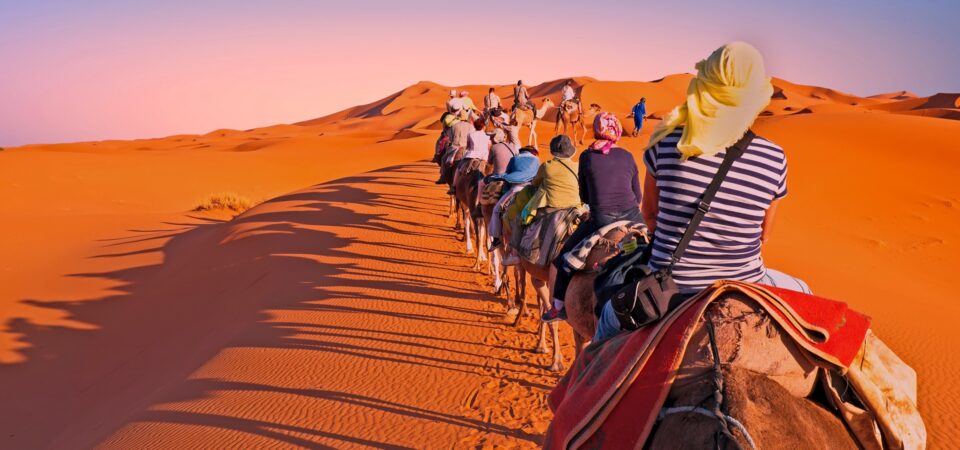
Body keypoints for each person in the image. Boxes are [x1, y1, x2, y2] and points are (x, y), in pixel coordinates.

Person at [592, 41, 810, 344]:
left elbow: (650, 214)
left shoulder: (665, 144)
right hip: (745, 286)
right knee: (805, 292)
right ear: (756, 96)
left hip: (672, 289)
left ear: (704, 84)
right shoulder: (774, 157)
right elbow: (765, 234)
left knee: (605, 322)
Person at [543, 113, 642, 322]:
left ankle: (558, 306)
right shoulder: (628, 155)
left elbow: (584, 197)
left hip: (601, 220)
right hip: (635, 217)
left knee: (564, 259)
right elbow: (638, 196)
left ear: (597, 131)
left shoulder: (587, 157)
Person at [487, 147, 540, 246]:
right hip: (532, 190)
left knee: (496, 210)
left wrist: (505, 191)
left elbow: (508, 176)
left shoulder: (515, 159)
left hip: (516, 188)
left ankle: (496, 239)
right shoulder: (536, 160)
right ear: (533, 153)